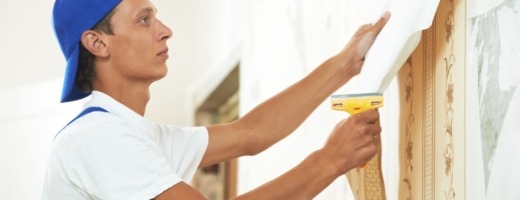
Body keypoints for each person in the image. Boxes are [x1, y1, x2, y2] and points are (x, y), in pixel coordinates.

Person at [43, 0, 389, 199]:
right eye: (144, 20)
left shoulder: (137, 135)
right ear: (97, 44)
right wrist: (329, 161)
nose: (164, 30)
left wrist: (345, 64)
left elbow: (251, 133)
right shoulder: (98, 137)